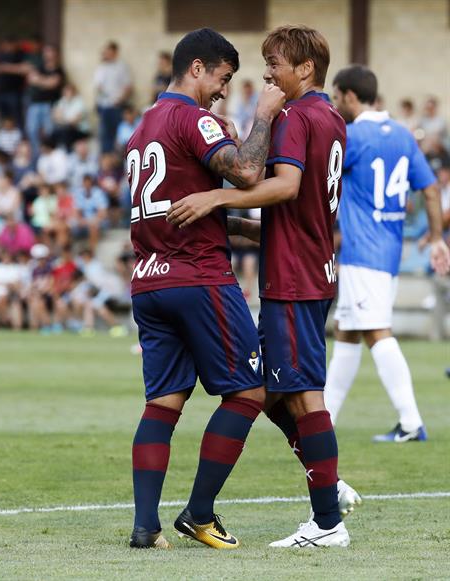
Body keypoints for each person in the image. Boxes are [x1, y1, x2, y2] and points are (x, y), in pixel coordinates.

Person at [167, 25, 357, 548]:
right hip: (309, 266)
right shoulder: (332, 118)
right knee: (267, 394)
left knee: (302, 396)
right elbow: (301, 211)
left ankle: (326, 523)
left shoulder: (294, 116)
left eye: (275, 62)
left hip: (294, 279)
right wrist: (238, 226)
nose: (267, 73)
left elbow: (287, 186)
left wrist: (216, 201)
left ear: (305, 70)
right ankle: (326, 479)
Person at [126, 28, 287, 550]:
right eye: (222, 78)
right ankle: (198, 513)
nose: (223, 90)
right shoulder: (192, 118)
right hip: (198, 279)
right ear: (197, 67)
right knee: (249, 391)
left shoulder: (142, 127)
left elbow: (183, 211)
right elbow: (244, 171)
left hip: (150, 284)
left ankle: (145, 527)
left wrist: (262, 235)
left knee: (164, 404)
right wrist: (261, 117)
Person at [325, 65, 450, 440]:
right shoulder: (401, 134)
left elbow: (322, 181)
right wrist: (436, 236)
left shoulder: (350, 136)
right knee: (347, 333)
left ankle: (411, 422)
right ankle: (323, 424)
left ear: (349, 96)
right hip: (388, 250)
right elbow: (429, 190)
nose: (334, 102)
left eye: (335, 96)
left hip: (363, 252)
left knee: (377, 332)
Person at [93, 41, 132, 154]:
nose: (105, 54)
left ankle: (118, 163)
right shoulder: (101, 67)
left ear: (115, 52)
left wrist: (119, 100)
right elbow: (98, 86)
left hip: (117, 106)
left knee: (118, 136)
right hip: (104, 106)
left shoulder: (121, 67)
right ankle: (106, 162)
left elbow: (128, 87)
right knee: (105, 136)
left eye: (108, 51)